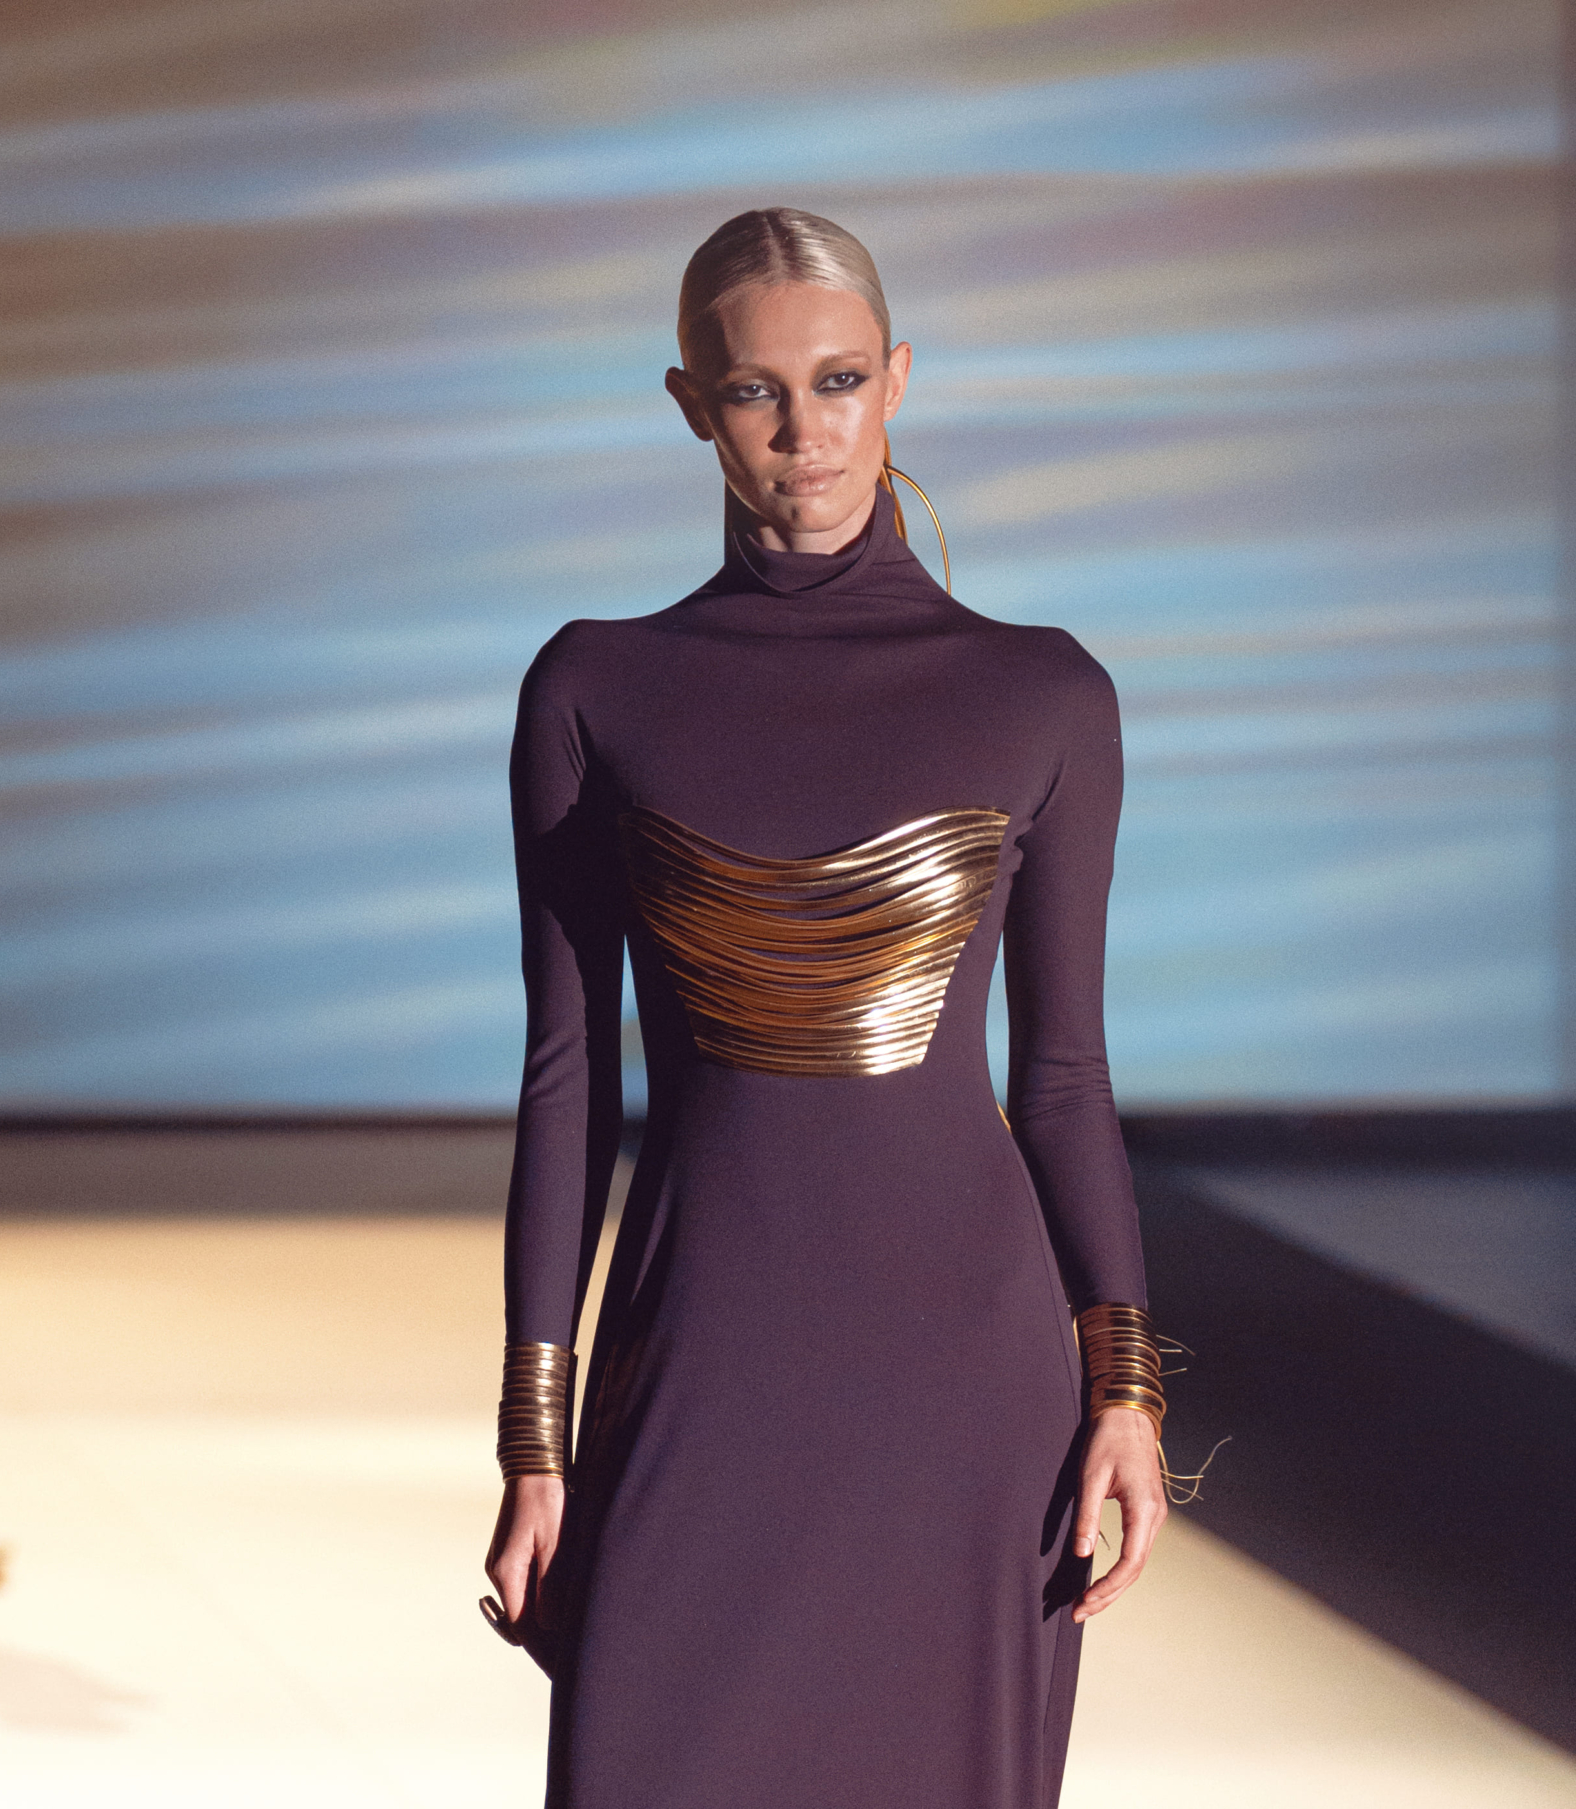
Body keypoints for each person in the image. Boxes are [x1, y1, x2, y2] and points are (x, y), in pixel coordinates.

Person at [481, 209, 1168, 1807]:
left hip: (965, 1387)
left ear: (899, 380)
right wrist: (534, 1437)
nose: (806, 432)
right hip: (700, 1361)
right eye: (756, 391)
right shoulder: (594, 688)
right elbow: (565, 1079)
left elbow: (1064, 1079)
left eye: (841, 379)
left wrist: (1125, 1390)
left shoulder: (1043, 694)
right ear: (691, 405)